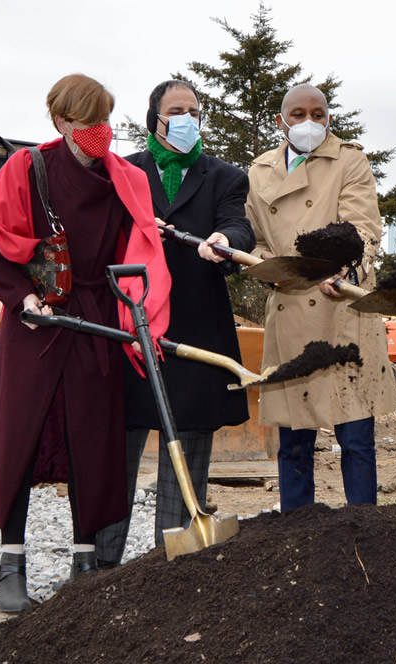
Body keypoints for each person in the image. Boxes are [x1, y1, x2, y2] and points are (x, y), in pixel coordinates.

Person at [0, 74, 170, 612]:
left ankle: (85, 564)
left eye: (105, 120)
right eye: (88, 123)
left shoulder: (124, 178)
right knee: (20, 440)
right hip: (35, 319)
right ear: (61, 121)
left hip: (95, 319)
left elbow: (141, 247)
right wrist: (21, 300)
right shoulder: (27, 168)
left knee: (92, 439)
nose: (100, 132)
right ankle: (10, 564)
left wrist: (136, 314)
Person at [94, 79, 255, 567]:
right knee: (116, 455)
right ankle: (102, 568)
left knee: (184, 458)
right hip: (130, 326)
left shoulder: (224, 176)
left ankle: (172, 566)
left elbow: (238, 224)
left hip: (195, 331)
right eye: (176, 110)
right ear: (155, 118)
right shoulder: (123, 172)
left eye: (194, 110)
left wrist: (223, 240)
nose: (187, 118)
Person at [244, 83, 396, 512]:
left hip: (343, 310)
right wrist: (266, 267)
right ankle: (298, 533)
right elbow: (254, 239)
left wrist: (348, 269)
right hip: (290, 308)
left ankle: (363, 526)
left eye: (318, 113)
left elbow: (364, 227)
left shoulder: (349, 160)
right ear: (281, 120)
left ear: (329, 117)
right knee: (293, 441)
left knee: (356, 438)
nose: (308, 122)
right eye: (297, 114)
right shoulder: (259, 172)